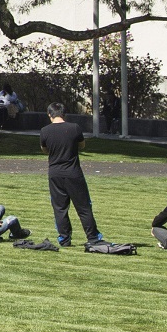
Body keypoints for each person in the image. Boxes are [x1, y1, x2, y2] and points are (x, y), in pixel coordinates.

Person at [41, 103, 102, 247]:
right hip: (73, 172)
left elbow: (44, 149)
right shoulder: (74, 128)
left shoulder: (44, 131)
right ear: (64, 114)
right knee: (83, 207)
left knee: (60, 208)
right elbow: (82, 145)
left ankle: (64, 238)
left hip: (55, 173)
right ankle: (92, 237)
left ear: (50, 115)